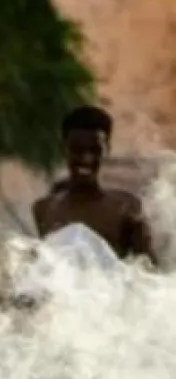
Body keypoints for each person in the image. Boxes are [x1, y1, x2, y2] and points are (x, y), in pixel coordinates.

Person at [32, 106, 157, 265]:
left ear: (107, 150)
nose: (86, 158)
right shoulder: (44, 210)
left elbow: (150, 275)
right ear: (64, 149)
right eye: (77, 150)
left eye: (95, 150)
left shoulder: (125, 208)